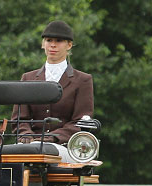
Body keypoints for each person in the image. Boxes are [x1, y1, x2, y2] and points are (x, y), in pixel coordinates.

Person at [12, 20, 94, 160]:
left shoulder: (83, 80)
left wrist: (54, 137)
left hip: (63, 145)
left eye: (59, 41)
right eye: (49, 40)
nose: (53, 45)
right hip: (29, 145)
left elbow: (81, 121)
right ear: (43, 44)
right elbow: (19, 119)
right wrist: (25, 134)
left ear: (69, 45)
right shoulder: (28, 78)